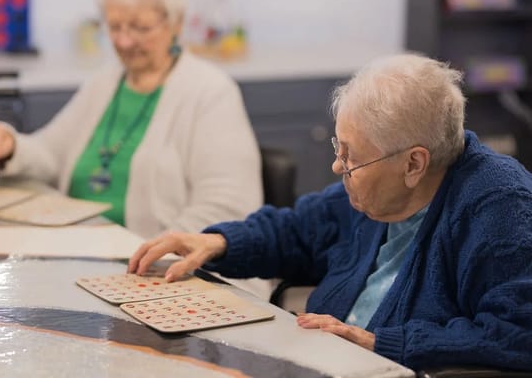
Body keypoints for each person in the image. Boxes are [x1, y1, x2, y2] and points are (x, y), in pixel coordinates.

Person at [128, 54, 532, 371]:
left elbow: (517, 332)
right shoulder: (373, 192)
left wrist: (381, 343)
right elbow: (299, 230)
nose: (338, 167)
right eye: (339, 148)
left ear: (413, 164)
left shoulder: (499, 206)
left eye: (350, 156)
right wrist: (217, 241)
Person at [0, 0, 262, 239]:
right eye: (114, 25)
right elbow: (51, 153)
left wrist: (155, 254)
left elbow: (226, 207)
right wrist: (9, 146)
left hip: (168, 272)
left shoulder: (211, 93)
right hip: (87, 254)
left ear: (176, 23)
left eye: (140, 27)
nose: (123, 41)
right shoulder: (106, 82)